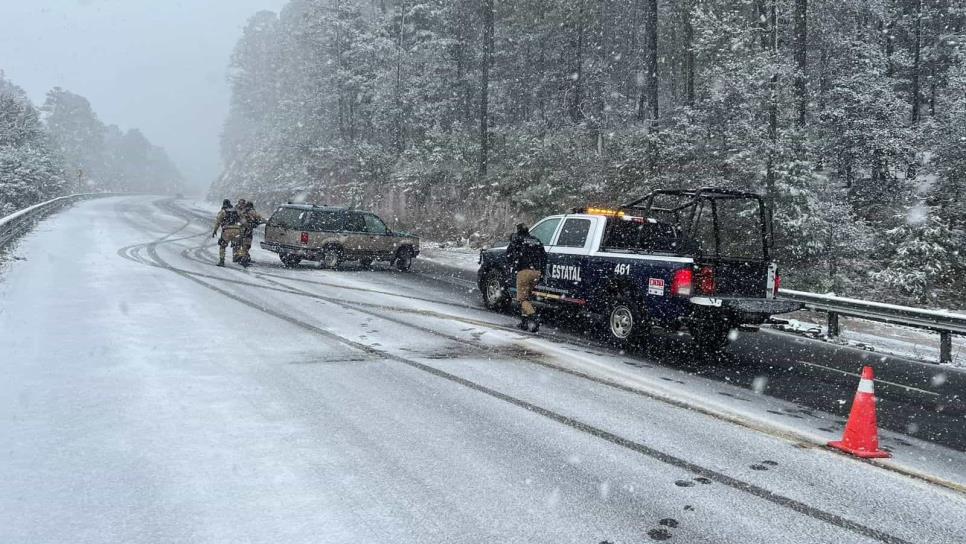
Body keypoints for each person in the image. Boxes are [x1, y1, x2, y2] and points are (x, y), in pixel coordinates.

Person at [505, 223, 547, 332]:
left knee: (522, 299)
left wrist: (512, 266)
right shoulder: (536, 240)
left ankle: (535, 318)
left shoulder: (517, 240)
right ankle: (524, 323)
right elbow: (544, 257)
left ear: (518, 231)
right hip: (536, 272)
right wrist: (542, 272)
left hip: (524, 272)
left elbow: (508, 255)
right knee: (527, 298)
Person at [212, 199, 243, 266]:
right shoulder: (236, 211)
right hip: (236, 230)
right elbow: (242, 220)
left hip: (227, 230)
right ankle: (238, 257)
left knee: (222, 245)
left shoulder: (223, 211)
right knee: (237, 245)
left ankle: (222, 261)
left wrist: (215, 230)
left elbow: (218, 222)